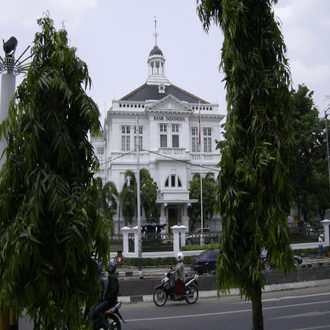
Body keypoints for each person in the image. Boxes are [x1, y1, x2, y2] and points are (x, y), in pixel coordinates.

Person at [94, 259, 119, 330]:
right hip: (109, 300)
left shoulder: (112, 277)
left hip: (110, 301)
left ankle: (106, 327)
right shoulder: (111, 276)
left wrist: (107, 297)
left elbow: (114, 291)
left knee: (97, 310)